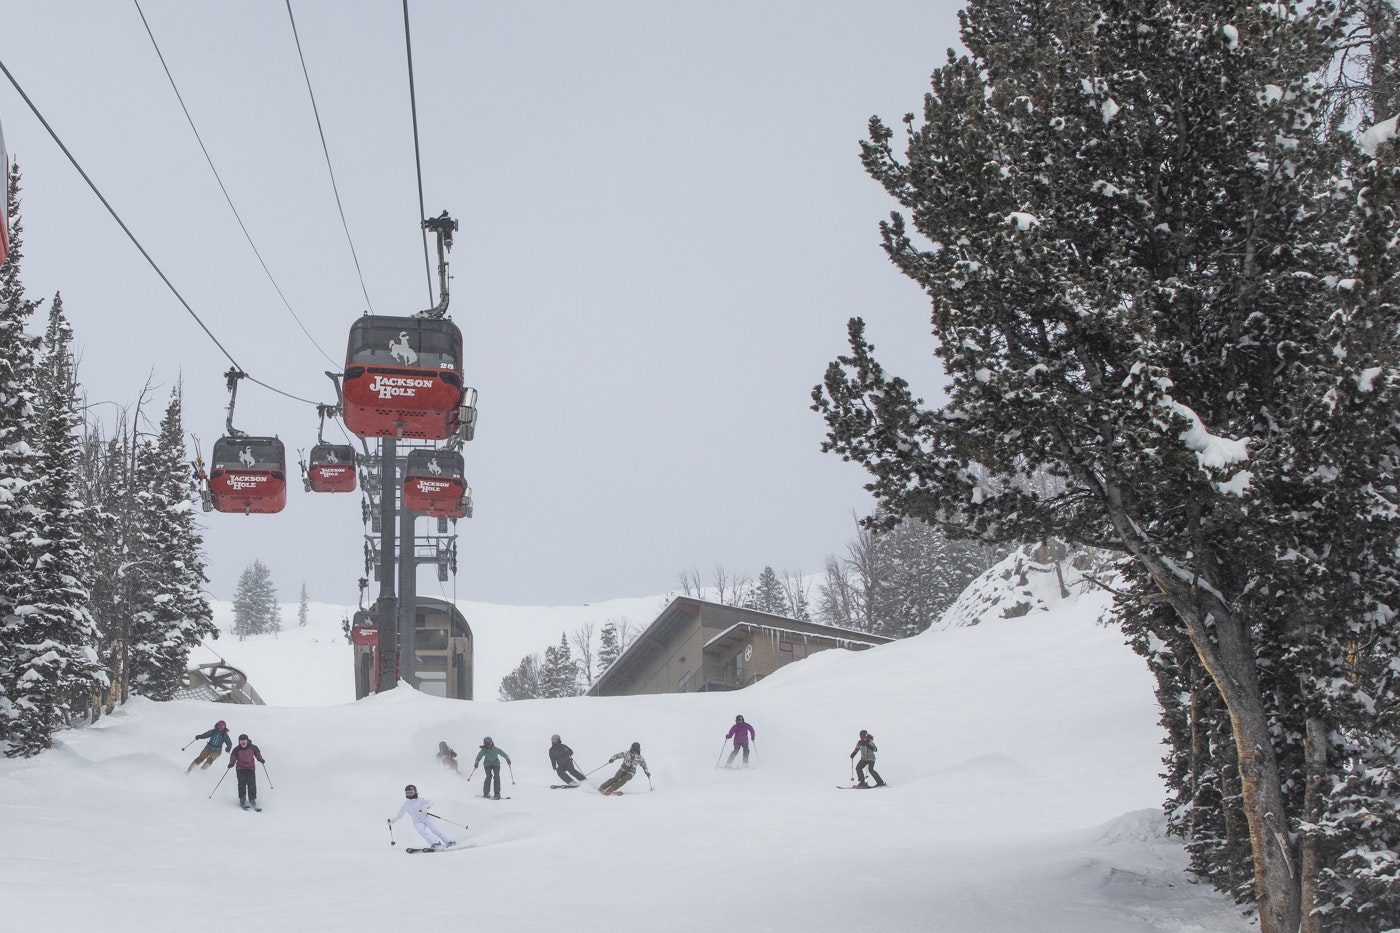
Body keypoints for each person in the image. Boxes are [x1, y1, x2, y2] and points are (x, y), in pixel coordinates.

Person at [391, 784, 455, 848]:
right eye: (407, 793)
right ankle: (435, 843)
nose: (409, 794)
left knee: (434, 829)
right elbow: (399, 816)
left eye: (411, 792)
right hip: (417, 822)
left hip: (426, 818)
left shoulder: (420, 800)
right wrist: (392, 821)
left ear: (415, 792)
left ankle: (450, 841)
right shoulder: (405, 805)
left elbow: (431, 801)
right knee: (421, 831)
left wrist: (426, 807)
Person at [227, 733, 267, 809]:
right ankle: (242, 799)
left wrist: (260, 758)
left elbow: (257, 753)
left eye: (244, 741)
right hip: (240, 769)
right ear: (239, 741)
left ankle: (252, 799)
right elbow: (233, 757)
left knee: (252, 784)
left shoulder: (253, 747)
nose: (243, 742)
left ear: (247, 740)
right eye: (241, 741)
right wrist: (231, 763)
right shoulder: (236, 749)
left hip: (250, 768)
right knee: (242, 784)